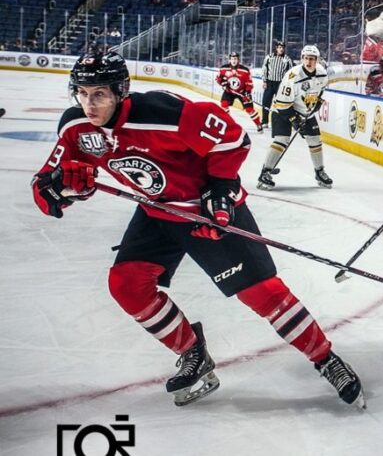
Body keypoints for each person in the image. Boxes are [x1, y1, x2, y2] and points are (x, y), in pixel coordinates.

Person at [30, 51, 364, 409]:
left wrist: (218, 191)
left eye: (98, 94)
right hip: (157, 212)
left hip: (202, 210)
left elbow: (234, 138)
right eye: (81, 92)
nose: (88, 103)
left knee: (262, 293)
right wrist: (63, 190)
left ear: (120, 91)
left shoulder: (163, 114)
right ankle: (192, 352)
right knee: (126, 284)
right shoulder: (76, 127)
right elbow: (44, 189)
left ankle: (326, 359)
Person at [258, 45, 332, 190]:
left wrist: (318, 102)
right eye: (306, 58)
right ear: (302, 59)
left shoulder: (322, 73)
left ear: (317, 60)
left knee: (315, 139)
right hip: (282, 110)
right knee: (282, 140)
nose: (308, 61)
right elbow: (282, 104)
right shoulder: (292, 76)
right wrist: (295, 121)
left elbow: (321, 90)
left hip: (305, 112)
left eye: (312, 59)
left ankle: (319, 171)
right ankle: (265, 172)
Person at [216, 52, 263, 132]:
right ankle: (228, 124)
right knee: (224, 104)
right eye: (232, 59)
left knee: (249, 109)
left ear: (238, 60)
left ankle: (258, 124)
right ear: (229, 60)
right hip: (229, 91)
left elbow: (250, 83)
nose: (234, 61)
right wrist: (223, 83)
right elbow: (218, 79)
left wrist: (247, 92)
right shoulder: (223, 69)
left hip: (243, 92)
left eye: (235, 59)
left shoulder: (245, 70)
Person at [261, 41, 293, 130]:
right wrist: (264, 81)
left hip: (280, 84)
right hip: (270, 83)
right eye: (279, 47)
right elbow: (264, 69)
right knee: (266, 102)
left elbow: (290, 73)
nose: (281, 49)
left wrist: (287, 84)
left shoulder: (287, 59)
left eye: (282, 47)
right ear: (276, 48)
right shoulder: (269, 57)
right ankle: (264, 121)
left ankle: (280, 122)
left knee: (280, 104)